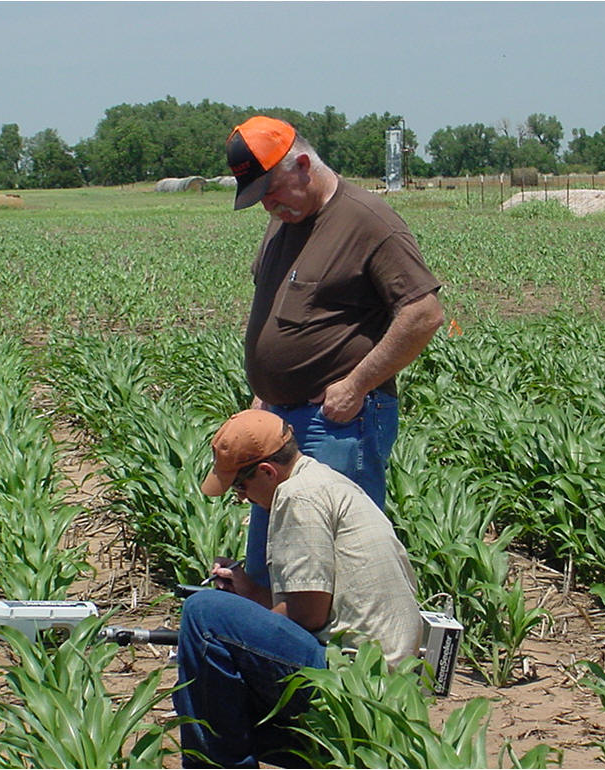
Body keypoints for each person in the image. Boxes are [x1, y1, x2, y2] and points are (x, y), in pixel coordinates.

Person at [226, 115, 445, 587]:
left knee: (337, 570)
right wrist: (264, 396)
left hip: (339, 423)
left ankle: (353, 660)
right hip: (281, 423)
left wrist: (355, 385)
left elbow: (423, 314)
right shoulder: (285, 223)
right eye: (259, 197)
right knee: (276, 565)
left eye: (272, 190)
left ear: (303, 164)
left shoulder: (367, 221)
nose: (268, 205)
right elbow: (271, 307)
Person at [172, 409, 421, 768]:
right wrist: (248, 594)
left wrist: (235, 621)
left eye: (240, 486)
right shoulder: (323, 481)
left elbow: (306, 616)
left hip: (353, 678)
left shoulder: (298, 496)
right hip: (383, 681)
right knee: (206, 687)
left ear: (268, 471)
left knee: (204, 614)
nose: (241, 498)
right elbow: (313, 603)